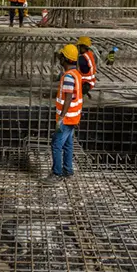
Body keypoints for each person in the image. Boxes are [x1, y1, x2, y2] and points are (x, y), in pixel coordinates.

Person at [48, 44, 83, 181]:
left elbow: (68, 98)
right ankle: (68, 171)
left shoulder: (68, 76)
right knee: (68, 145)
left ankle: (57, 174)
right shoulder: (76, 74)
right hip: (73, 118)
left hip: (67, 119)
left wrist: (61, 118)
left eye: (62, 57)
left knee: (56, 144)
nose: (60, 59)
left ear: (66, 59)